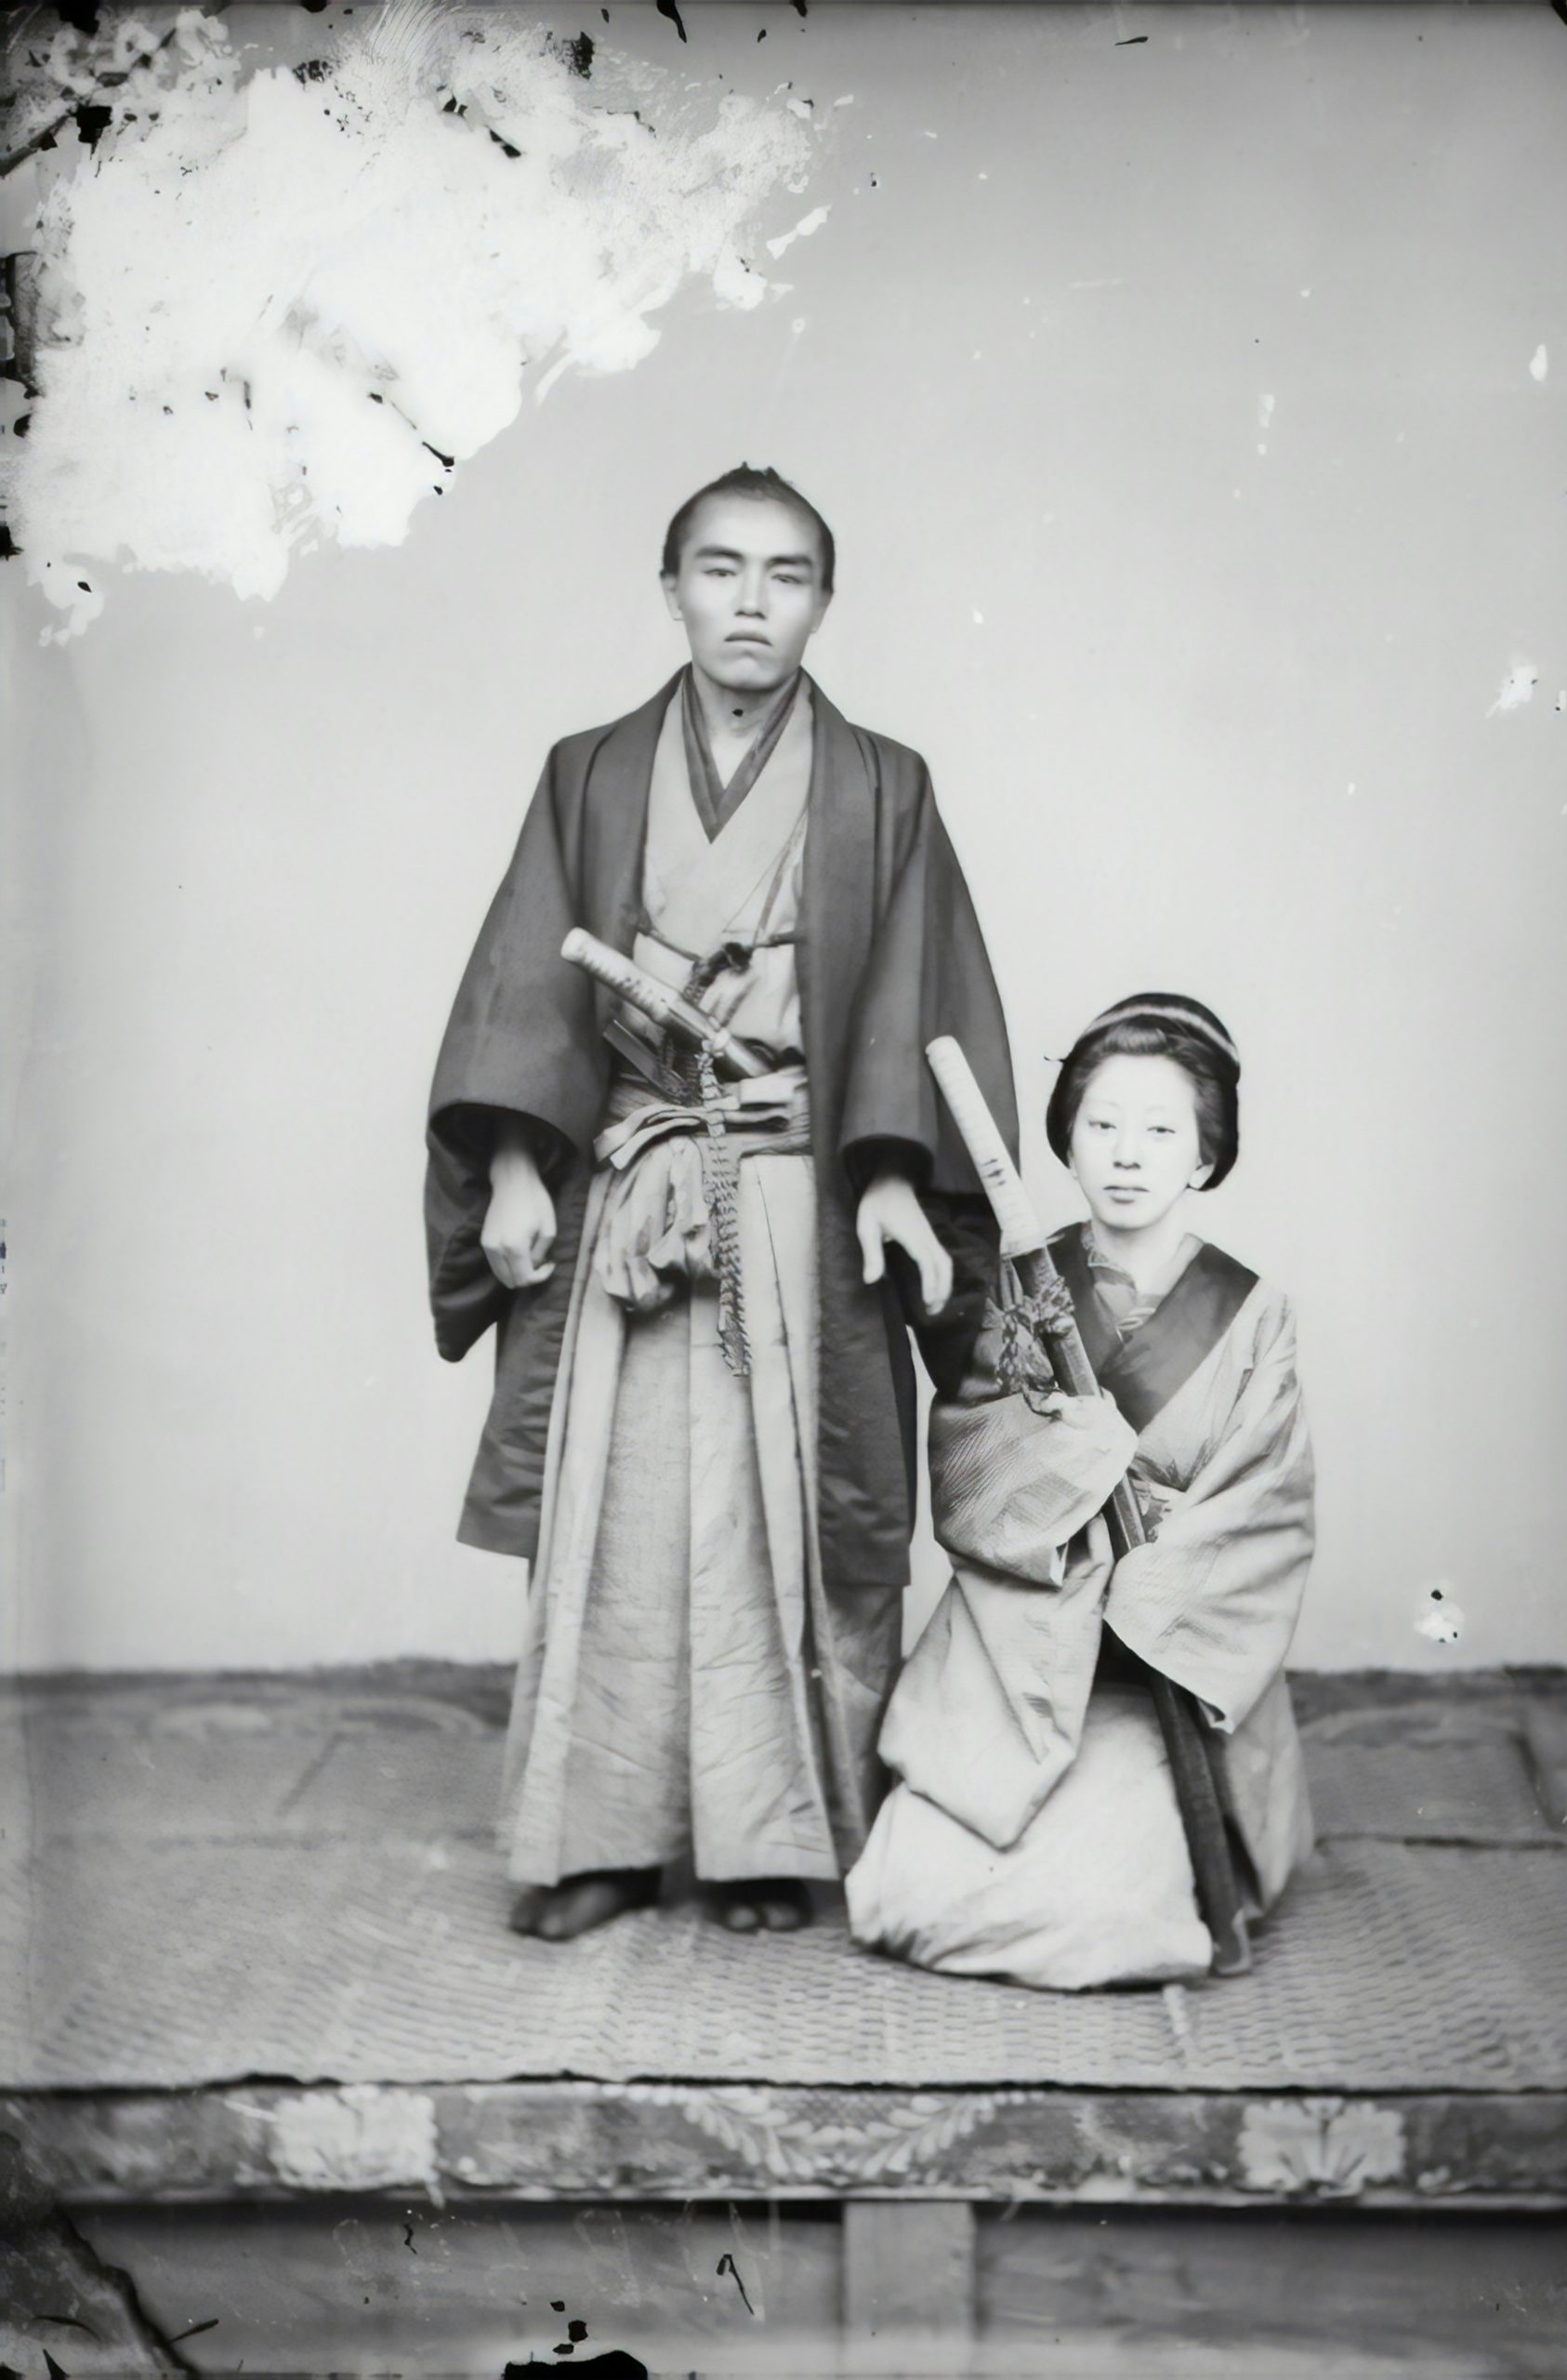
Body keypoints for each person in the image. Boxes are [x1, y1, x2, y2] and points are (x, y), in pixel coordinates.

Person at [426, 465, 1015, 1942]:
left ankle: (767, 1840)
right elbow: (521, 988)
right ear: (671, 585)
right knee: (619, 1517)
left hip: (792, 1192)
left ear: (826, 596)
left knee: (782, 1514)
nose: (752, 602)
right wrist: (509, 1164)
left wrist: (889, 1182)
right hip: (629, 1187)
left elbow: (909, 1003)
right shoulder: (591, 772)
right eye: (720, 569)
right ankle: (603, 1835)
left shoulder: (886, 784)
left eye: (787, 574)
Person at [846, 992, 1314, 1990]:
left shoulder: (1252, 1312)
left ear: (1203, 1155)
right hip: (1028, 1650)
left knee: (1111, 1911)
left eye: (1159, 1130)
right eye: (1102, 1125)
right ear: (1068, 1140)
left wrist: (1151, 1574)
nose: (1127, 1153)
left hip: (1160, 1662)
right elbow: (970, 1464)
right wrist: (1082, 1469)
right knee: (903, 1892)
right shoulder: (1026, 1284)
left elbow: (1265, 1505)